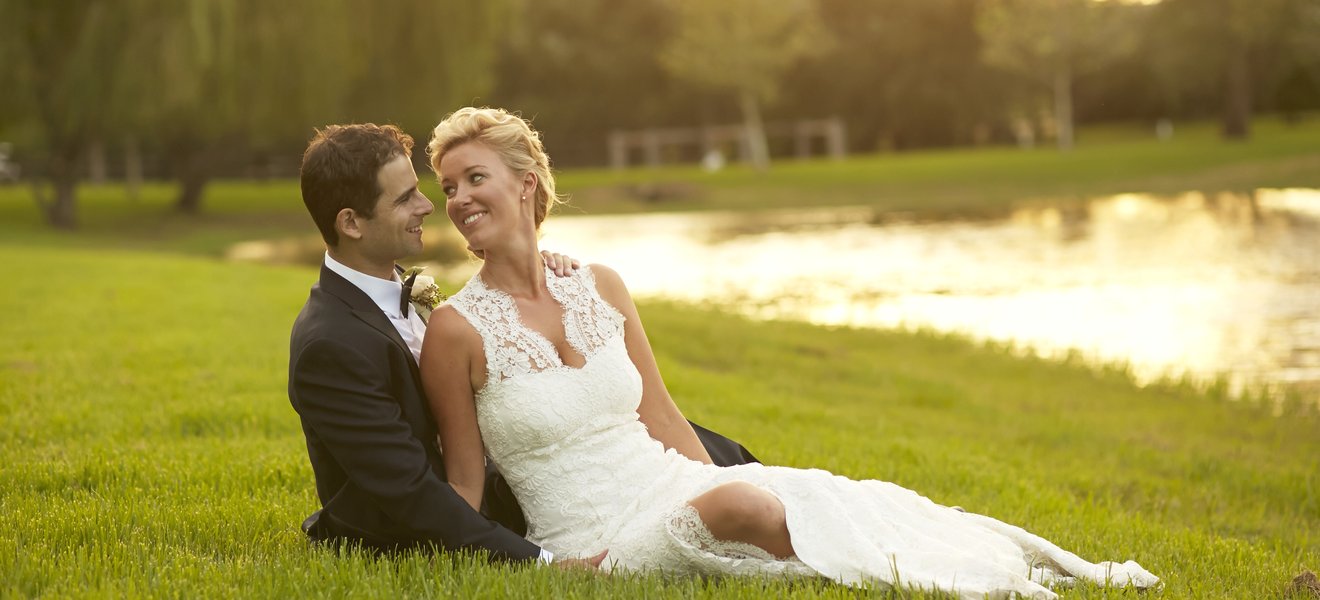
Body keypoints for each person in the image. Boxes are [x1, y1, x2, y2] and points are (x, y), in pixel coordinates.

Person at [419, 107, 1161, 599]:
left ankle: (992, 566)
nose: (457, 200)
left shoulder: (601, 286)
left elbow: (663, 415)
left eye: (473, 178)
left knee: (826, 491)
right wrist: (516, 567)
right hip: (591, 537)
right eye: (448, 186)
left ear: (527, 184)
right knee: (744, 502)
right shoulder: (457, 331)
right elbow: (463, 486)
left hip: (670, 481)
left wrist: (719, 486)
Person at [286, 123, 758, 566]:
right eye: (407, 197)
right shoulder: (330, 346)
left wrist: (537, 269)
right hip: (444, 521)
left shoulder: (401, 290)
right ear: (351, 223)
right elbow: (414, 495)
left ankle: (747, 482)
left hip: (556, 465)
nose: (430, 206)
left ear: (527, 184)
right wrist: (543, 564)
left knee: (727, 465)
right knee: (735, 500)